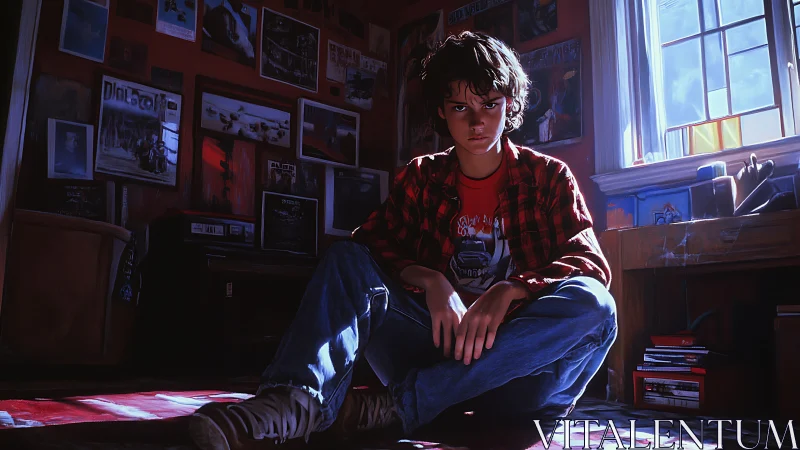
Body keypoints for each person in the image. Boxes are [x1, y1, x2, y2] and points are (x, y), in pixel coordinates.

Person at [189, 30, 617, 450]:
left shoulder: (548, 178)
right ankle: (290, 404)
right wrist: (430, 281)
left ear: (510, 103)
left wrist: (511, 289)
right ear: (442, 113)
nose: (477, 121)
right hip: (434, 350)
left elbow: (590, 264)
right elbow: (369, 246)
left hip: (519, 381)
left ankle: (405, 404)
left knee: (597, 306)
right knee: (345, 259)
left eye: (490, 104)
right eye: (460, 107)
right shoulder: (423, 176)